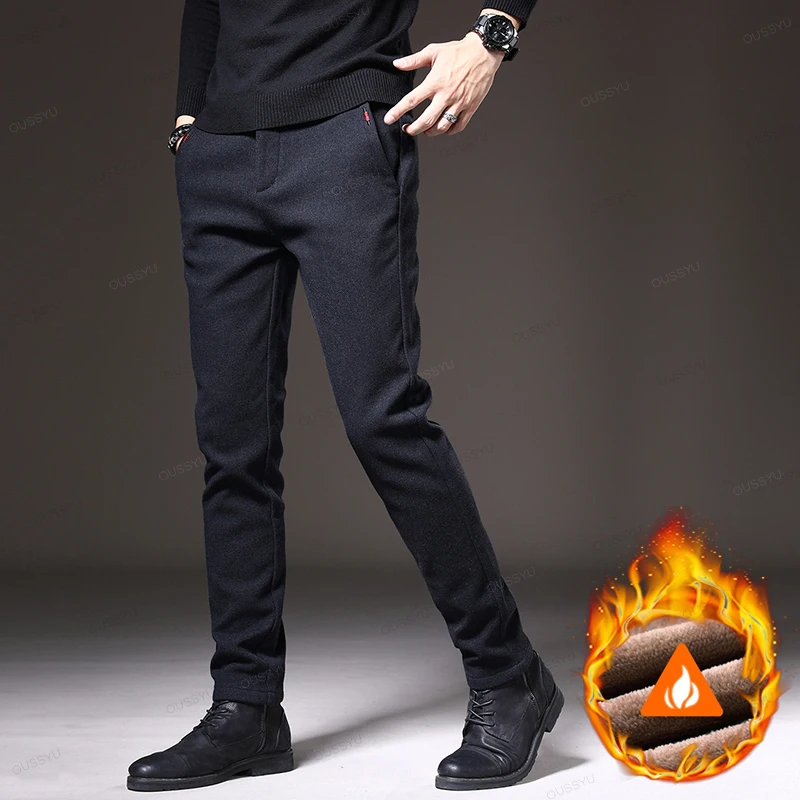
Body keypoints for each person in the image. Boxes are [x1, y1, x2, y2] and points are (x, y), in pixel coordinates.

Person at [127, 0, 562, 792]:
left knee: (382, 418)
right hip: (221, 153)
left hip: (343, 135)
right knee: (232, 443)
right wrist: (190, 119)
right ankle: (247, 706)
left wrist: (491, 39)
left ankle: (509, 675)